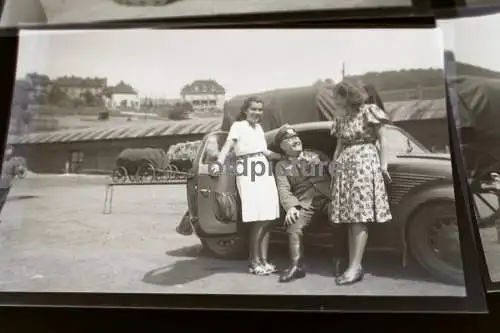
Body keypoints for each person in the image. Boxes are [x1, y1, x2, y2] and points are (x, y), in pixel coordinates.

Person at [329, 80, 393, 286]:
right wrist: (334, 165)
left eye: (337, 96)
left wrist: (383, 166)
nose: (334, 100)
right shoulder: (341, 118)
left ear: (347, 95)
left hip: (365, 160)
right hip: (346, 165)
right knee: (350, 216)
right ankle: (354, 264)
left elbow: (383, 139)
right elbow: (339, 145)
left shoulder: (369, 111)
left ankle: (355, 266)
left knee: (359, 215)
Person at [215, 96, 282, 276]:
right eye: (253, 109)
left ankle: (264, 260)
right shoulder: (238, 126)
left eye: (260, 110)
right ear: (245, 110)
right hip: (247, 170)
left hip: (263, 170)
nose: (257, 113)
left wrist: (284, 156)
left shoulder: (259, 128)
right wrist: (219, 162)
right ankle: (254, 262)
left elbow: (264, 151)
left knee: (268, 216)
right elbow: (228, 146)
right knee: (257, 216)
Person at [274, 124, 349, 283]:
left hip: (328, 197)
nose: (295, 140)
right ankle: (297, 266)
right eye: (289, 138)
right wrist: (291, 207)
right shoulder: (281, 166)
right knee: (293, 224)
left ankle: (340, 260)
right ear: (282, 146)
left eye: (296, 137)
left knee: (338, 215)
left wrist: (339, 193)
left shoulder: (316, 154)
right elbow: (284, 190)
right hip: (305, 202)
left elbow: (336, 171)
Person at [0, 145, 16, 217]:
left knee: (2, 201)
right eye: (8, 150)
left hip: (7, 184)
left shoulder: (12, 162)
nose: (9, 153)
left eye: (11, 151)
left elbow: (14, 173)